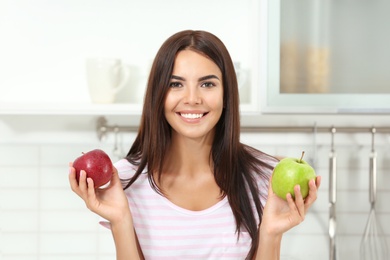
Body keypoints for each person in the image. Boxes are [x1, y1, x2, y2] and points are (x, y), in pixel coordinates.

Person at [69, 30, 321, 259]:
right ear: (159, 95)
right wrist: (121, 220)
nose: (192, 99)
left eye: (207, 84)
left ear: (226, 95)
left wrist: (271, 234)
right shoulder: (124, 181)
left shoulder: (266, 178)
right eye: (176, 84)